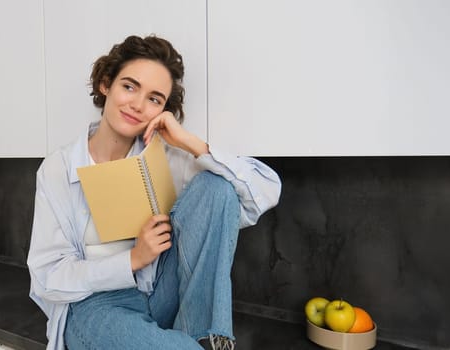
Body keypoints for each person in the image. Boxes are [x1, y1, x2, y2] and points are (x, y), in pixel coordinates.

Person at [27, 35, 282, 350]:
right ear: (106, 84)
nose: (137, 105)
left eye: (154, 99)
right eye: (130, 87)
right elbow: (47, 278)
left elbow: (266, 191)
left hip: (161, 294)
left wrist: (189, 142)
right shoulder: (58, 168)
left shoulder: (165, 156)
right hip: (93, 308)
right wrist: (132, 259)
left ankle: (205, 335)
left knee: (216, 187)